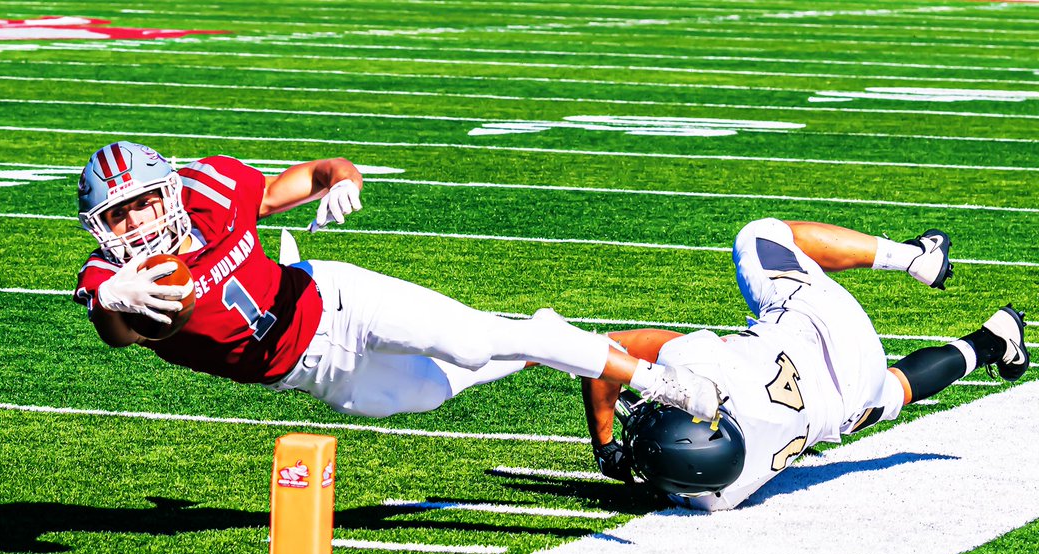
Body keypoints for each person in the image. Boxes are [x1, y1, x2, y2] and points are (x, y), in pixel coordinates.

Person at [73, 141, 720, 420]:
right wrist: (111, 298)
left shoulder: (210, 187)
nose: (135, 223)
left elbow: (311, 173)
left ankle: (661, 384)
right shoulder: (112, 280)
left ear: (168, 190)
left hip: (333, 301)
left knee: (469, 339)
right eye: (118, 214)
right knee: (441, 388)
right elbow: (114, 332)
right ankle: (539, 339)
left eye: (144, 203)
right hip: (312, 373)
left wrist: (343, 182)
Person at [582, 217, 1030, 511]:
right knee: (761, 236)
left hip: (845, 403)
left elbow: (681, 469)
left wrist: (639, 465)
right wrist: (604, 446)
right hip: (822, 327)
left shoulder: (717, 496)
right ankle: (916, 259)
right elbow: (609, 351)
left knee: (893, 391)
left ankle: (993, 342)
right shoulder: (703, 374)